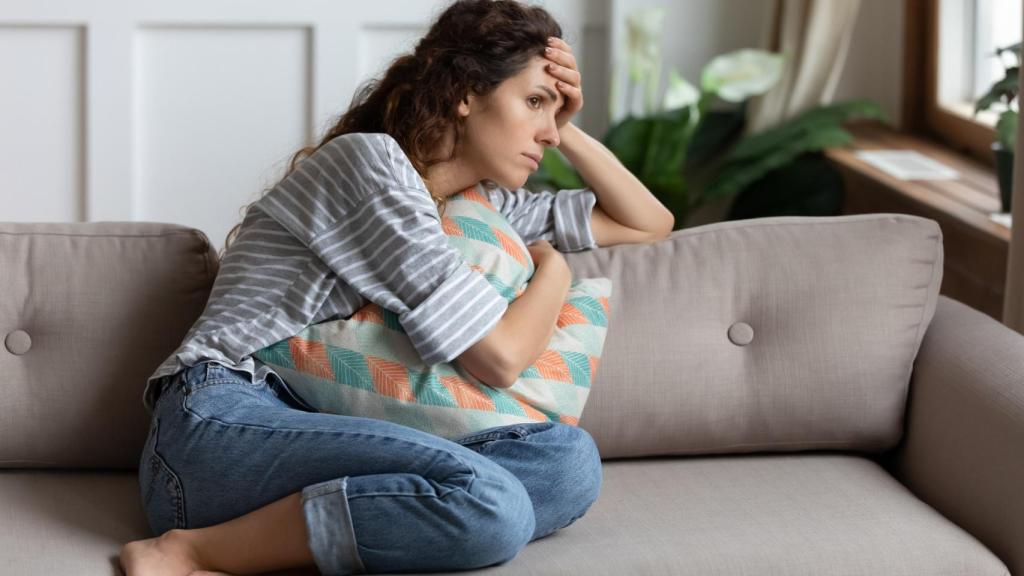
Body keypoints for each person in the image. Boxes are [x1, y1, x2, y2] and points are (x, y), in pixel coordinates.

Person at [119, 1, 674, 574]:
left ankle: (353, 520)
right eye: (533, 101)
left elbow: (647, 223)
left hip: (318, 422)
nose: (547, 135)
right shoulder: (372, 165)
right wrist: (555, 270)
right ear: (465, 92)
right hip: (220, 422)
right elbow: (500, 359)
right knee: (494, 504)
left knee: (567, 463)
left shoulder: (475, 206)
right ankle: (188, 551)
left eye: (553, 113)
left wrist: (565, 123)